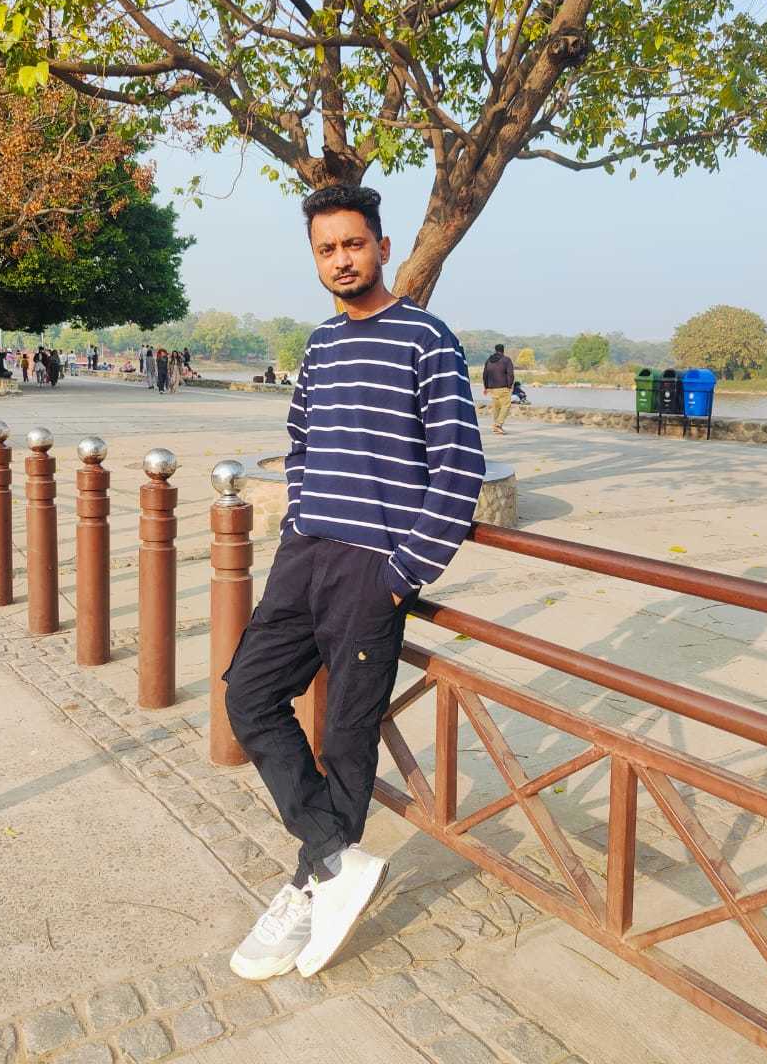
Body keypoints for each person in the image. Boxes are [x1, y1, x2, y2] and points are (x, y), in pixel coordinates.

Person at [223, 183, 485, 982]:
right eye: (327, 249)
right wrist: (300, 520)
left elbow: (459, 468)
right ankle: (336, 858)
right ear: (316, 258)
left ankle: (312, 884)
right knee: (248, 694)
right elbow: (301, 442)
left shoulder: (427, 340)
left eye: (353, 244)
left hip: (375, 568)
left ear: (382, 246)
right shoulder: (321, 345)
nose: (341, 259)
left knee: (346, 735)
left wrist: (402, 576)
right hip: (306, 555)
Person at [483, 342, 515, 435]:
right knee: (506, 406)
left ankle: (496, 427)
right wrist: (509, 385)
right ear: (503, 350)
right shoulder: (506, 360)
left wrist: (486, 387)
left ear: (495, 350)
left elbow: (485, 374)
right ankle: (498, 424)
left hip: (492, 388)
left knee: (496, 407)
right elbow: (510, 374)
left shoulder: (489, 360)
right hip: (503, 387)